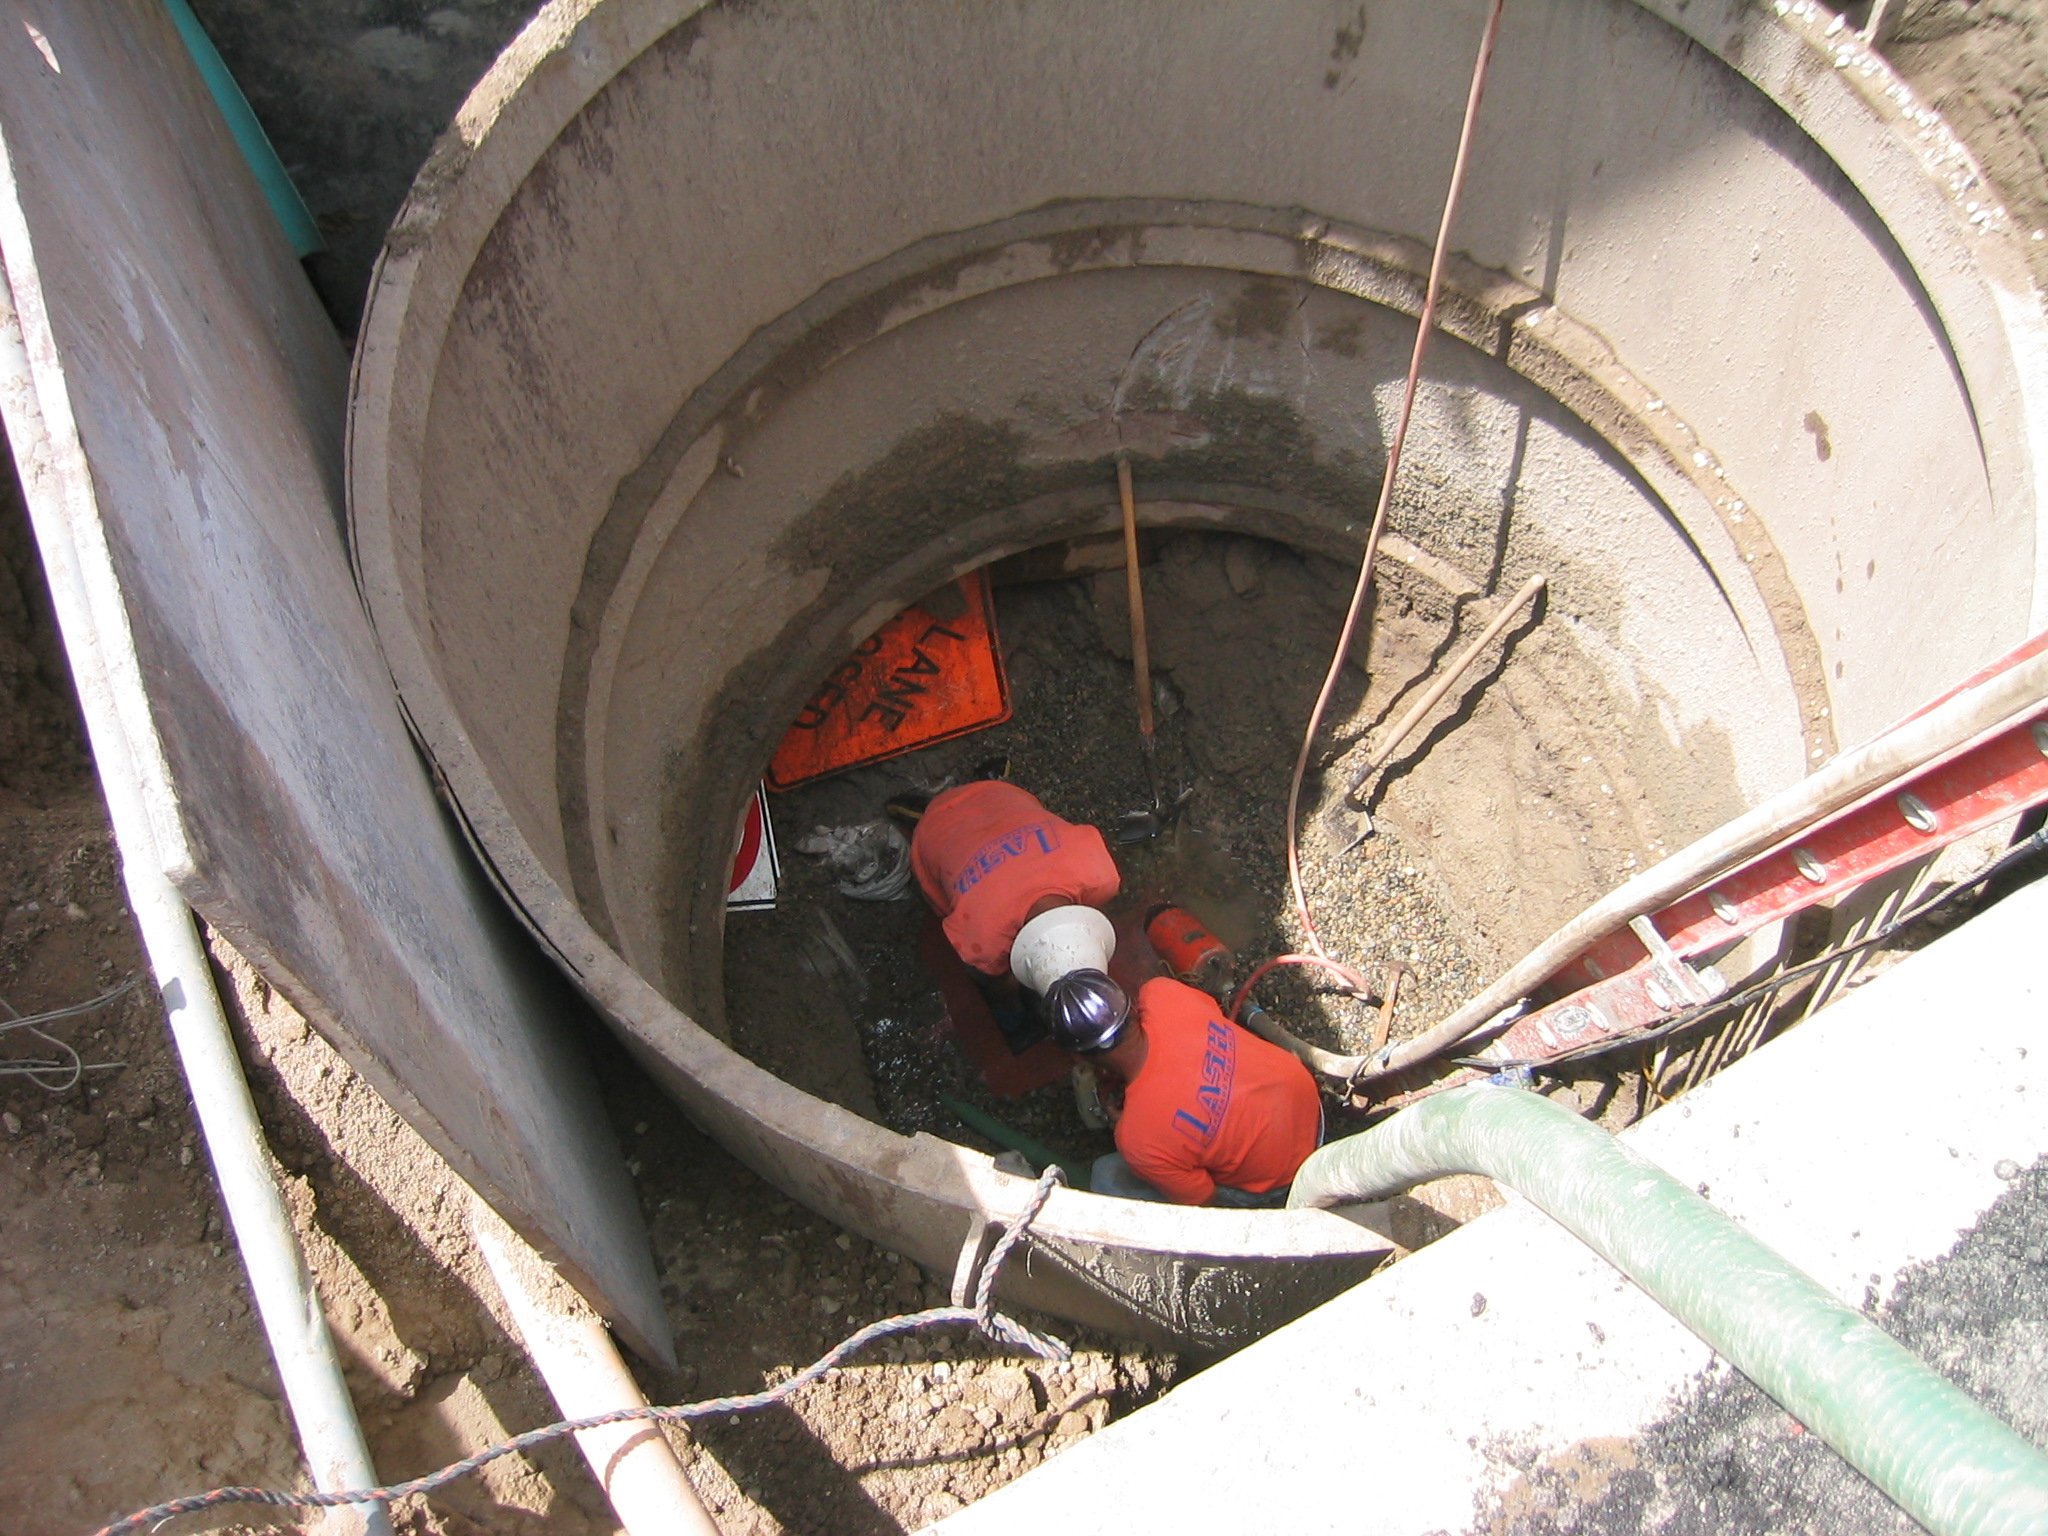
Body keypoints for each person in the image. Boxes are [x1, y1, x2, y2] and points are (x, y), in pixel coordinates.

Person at [1047, 971, 1322, 1207]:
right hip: (1307, 1102)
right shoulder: (1162, 993)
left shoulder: (1137, 1140)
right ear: (1129, 1007)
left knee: (1105, 1175)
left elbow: (1202, 1200)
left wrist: (1131, 1126)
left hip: (1285, 1177)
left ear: (1080, 1056)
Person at [908, 779, 1123, 1048]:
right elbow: (1001, 984)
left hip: (999, 794)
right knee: (1003, 999)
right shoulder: (983, 939)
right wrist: (1012, 1001)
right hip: (931, 831)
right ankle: (1014, 1023)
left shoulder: (1099, 874)